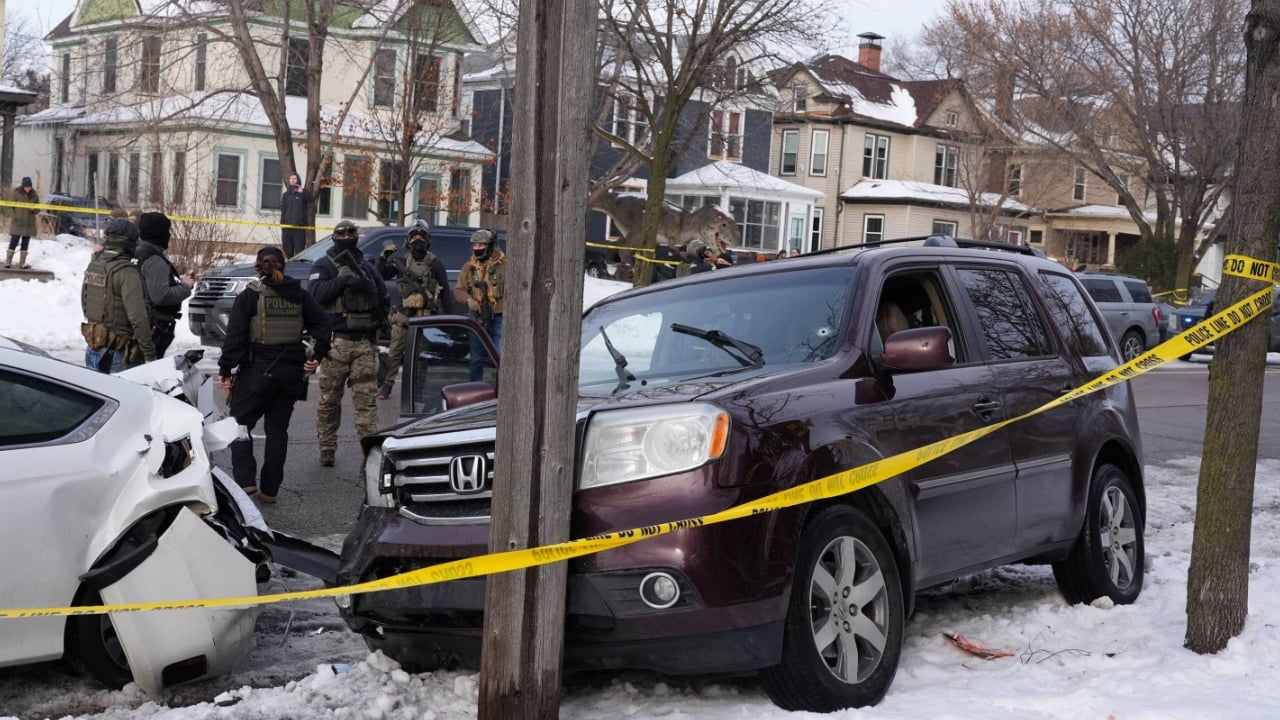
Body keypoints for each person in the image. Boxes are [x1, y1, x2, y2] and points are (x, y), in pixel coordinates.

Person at [218, 246, 331, 502]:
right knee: (278, 430)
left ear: (259, 267)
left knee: (239, 425)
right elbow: (323, 325)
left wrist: (225, 369)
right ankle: (270, 490)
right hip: (291, 372)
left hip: (257, 371)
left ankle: (246, 481)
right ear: (284, 266)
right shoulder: (300, 295)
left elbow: (234, 338)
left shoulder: (249, 297)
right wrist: (316, 357)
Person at [307, 219, 388, 467]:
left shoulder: (367, 266)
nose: (347, 238)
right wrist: (343, 281)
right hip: (335, 343)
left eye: (351, 234)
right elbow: (316, 295)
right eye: (342, 235)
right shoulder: (324, 265)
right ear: (334, 238)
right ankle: (327, 447)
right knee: (329, 400)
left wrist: (379, 322)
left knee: (366, 402)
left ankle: (369, 453)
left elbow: (382, 297)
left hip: (364, 343)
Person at [376, 220, 454, 400]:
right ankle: (386, 386)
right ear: (408, 240)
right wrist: (383, 258)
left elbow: (445, 295)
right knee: (395, 352)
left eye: (422, 236)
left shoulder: (435, 264)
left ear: (428, 240)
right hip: (404, 316)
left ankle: (417, 390)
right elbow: (380, 275)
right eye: (414, 236)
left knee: (422, 357)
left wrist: (449, 320)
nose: (417, 239)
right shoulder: (401, 262)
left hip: (426, 318)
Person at [80, 218, 156, 373]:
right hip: (117, 355)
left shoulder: (94, 265)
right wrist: (149, 355)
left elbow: (85, 302)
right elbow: (138, 317)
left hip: (94, 348)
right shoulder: (126, 272)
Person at [135, 212, 194, 357]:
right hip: (154, 326)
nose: (169, 235)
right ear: (158, 233)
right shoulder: (154, 259)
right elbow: (161, 296)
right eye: (167, 231)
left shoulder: (136, 253)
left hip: (142, 323)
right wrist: (185, 287)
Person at [454, 228, 507, 382]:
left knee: (500, 357)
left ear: (490, 246)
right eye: (475, 246)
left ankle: (502, 391)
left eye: (481, 245)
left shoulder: (504, 265)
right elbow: (458, 290)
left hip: (499, 315)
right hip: (476, 317)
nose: (477, 249)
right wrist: (469, 300)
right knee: (475, 359)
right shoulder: (469, 267)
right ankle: (476, 390)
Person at [280, 172, 313, 258]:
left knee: (299, 252)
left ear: (298, 179)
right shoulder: (286, 195)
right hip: (287, 228)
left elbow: (311, 201)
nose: (293, 180)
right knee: (288, 250)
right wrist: (282, 223)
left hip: (299, 228)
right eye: (291, 179)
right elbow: (283, 209)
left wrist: (303, 192)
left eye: (295, 178)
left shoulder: (304, 192)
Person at [7, 177, 38, 269]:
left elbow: (38, 207)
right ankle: (8, 262)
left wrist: (34, 209)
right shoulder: (16, 193)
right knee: (14, 241)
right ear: (23, 186)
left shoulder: (34, 195)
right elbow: (9, 207)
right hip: (18, 222)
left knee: (25, 243)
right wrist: (15, 216)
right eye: (26, 187)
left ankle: (22, 263)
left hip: (29, 223)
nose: (28, 189)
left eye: (29, 187)